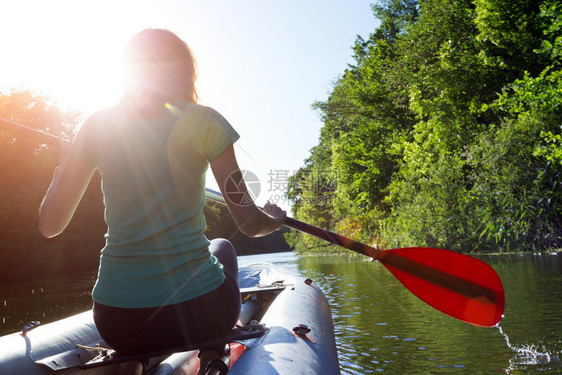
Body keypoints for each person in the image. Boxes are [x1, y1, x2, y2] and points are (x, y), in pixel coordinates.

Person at [39, 28, 286, 375]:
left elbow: (49, 226)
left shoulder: (97, 125)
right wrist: (274, 219)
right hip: (200, 314)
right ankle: (213, 351)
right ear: (184, 72)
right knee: (223, 247)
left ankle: (136, 360)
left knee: (208, 256)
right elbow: (250, 223)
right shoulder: (207, 122)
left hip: (118, 322)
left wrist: (64, 167)